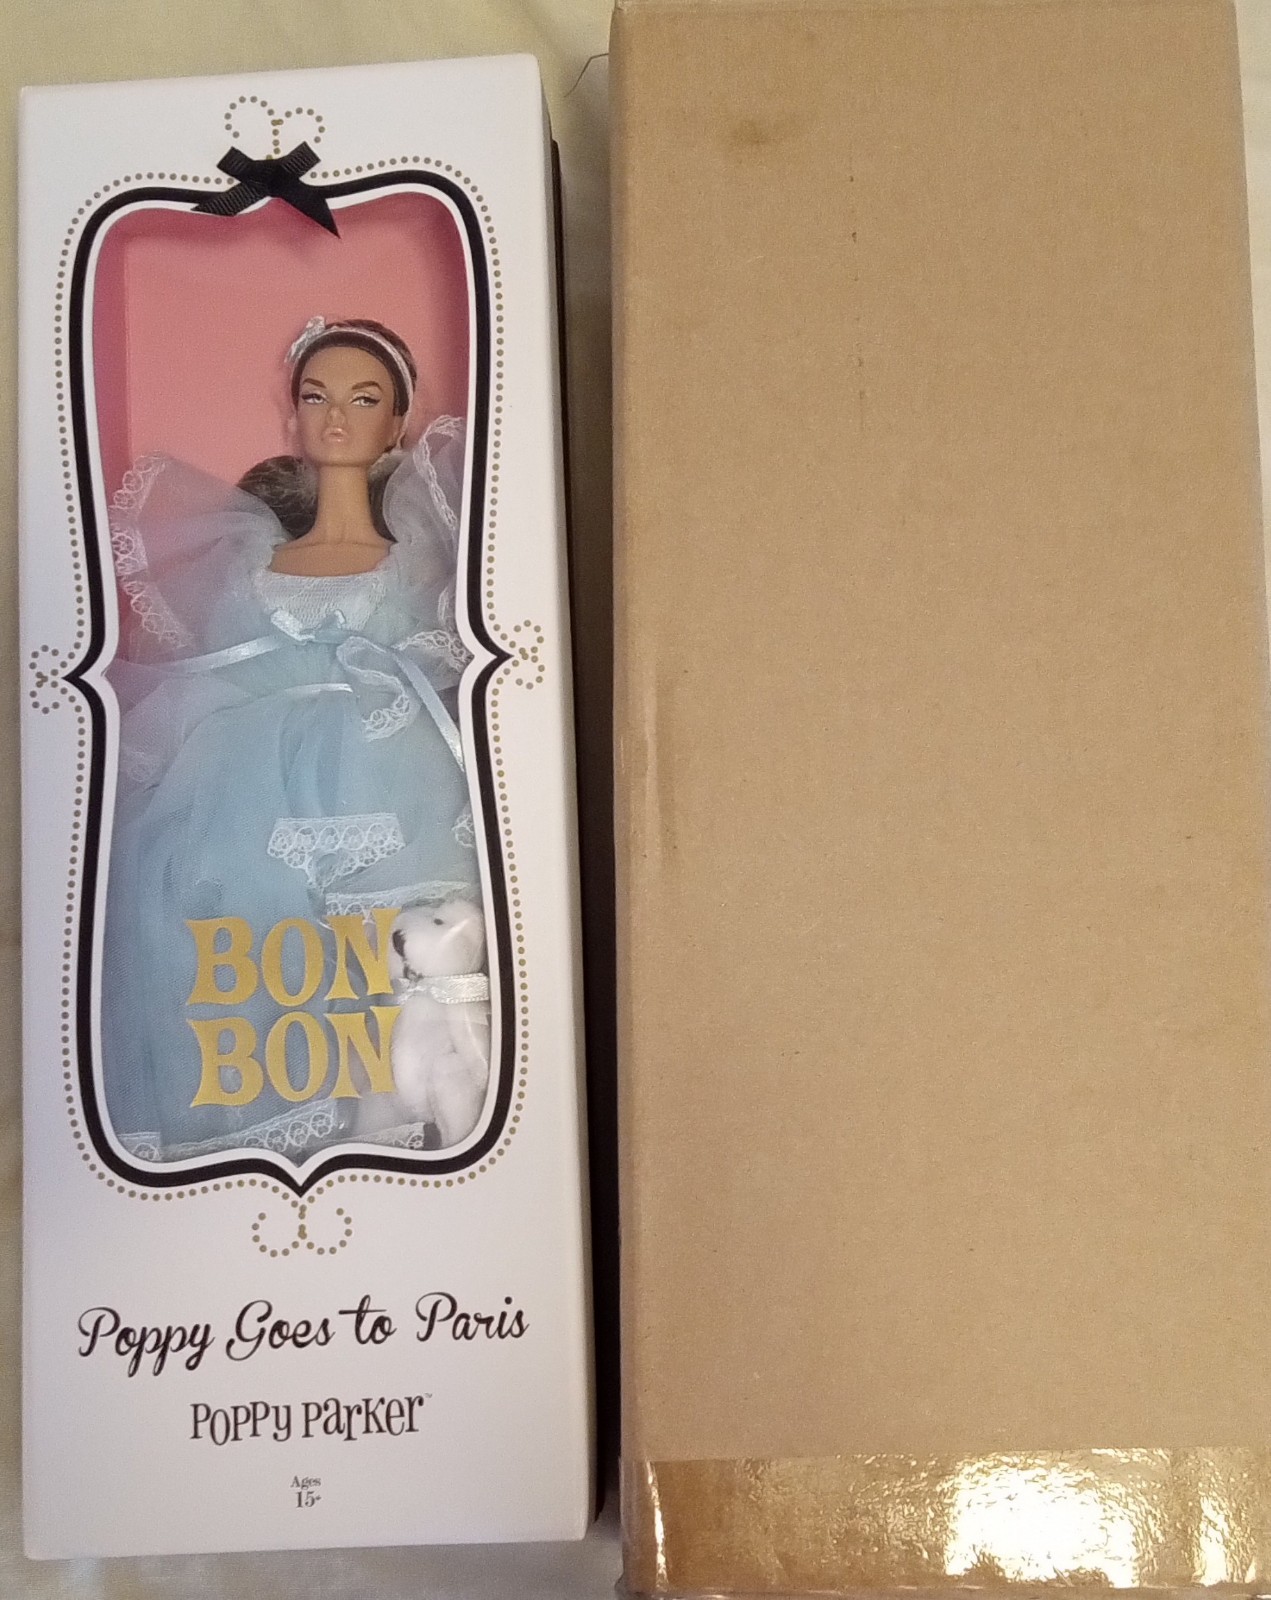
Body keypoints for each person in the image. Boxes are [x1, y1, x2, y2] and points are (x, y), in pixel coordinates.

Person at [102, 317, 483, 1165]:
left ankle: (403, 1113)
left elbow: (445, 656)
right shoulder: (245, 561)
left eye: (364, 399)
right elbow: (213, 674)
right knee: (225, 926)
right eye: (316, 397)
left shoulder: (420, 556)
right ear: (293, 417)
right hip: (245, 780)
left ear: (397, 422)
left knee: (396, 950)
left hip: (387, 764)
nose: (336, 418)